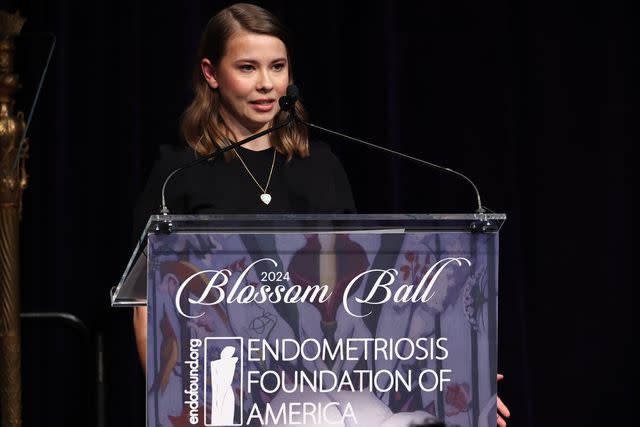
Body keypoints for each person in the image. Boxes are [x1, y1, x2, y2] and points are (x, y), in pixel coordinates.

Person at [131, 3, 509, 426]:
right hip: (224, 394)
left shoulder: (321, 166)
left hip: (321, 396)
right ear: (211, 73)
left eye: (277, 67)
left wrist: (456, 380)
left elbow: (364, 303)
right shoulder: (178, 174)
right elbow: (149, 305)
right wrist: (180, 407)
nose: (266, 84)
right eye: (247, 68)